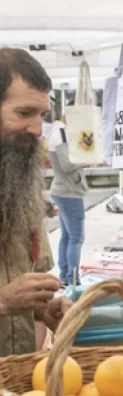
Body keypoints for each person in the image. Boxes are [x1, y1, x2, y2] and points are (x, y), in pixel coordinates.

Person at [0, 48, 72, 357]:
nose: (38, 130)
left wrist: (46, 311)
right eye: (24, 113)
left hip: (16, 389)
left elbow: (26, 295)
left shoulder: (21, 185)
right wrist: (3, 302)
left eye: (41, 116)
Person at [47, 111, 88, 287]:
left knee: (67, 236)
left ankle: (65, 276)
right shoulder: (62, 134)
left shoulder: (57, 131)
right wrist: (87, 158)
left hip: (62, 189)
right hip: (68, 192)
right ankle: (73, 279)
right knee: (76, 237)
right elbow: (66, 165)